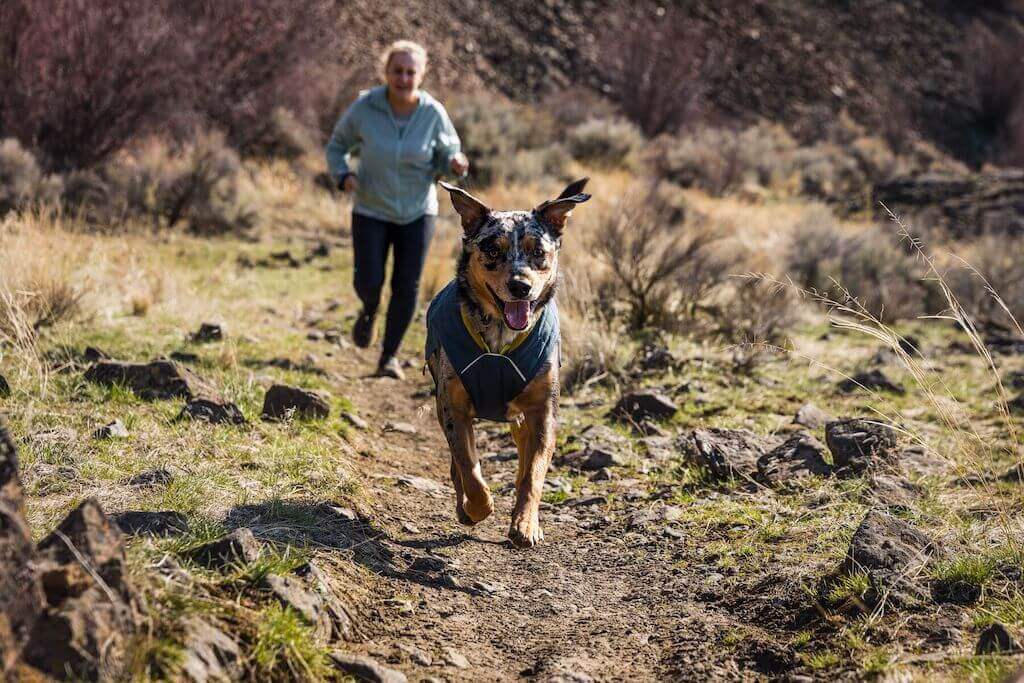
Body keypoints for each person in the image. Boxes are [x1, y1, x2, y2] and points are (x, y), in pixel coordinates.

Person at [326, 40, 469, 379]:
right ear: (386, 73)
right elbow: (337, 146)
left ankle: (388, 356)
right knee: (369, 280)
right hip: (370, 209)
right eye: (397, 71)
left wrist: (455, 163)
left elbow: (450, 153)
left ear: (421, 75)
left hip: (417, 212)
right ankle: (369, 309)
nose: (404, 78)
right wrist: (343, 174)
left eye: (410, 72)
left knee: (407, 286)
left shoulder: (432, 113)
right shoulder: (366, 107)